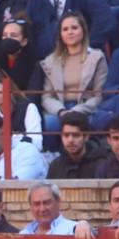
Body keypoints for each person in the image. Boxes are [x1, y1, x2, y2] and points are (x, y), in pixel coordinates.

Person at [38, 11, 107, 145]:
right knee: (47, 124)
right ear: (60, 34)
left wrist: (77, 111)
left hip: (86, 109)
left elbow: (99, 95)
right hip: (60, 110)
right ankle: (53, 158)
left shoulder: (97, 57)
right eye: (65, 29)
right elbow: (46, 97)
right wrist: (62, 111)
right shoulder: (50, 61)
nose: (70, 32)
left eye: (74, 28)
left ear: (83, 31)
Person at [48, 111, 105, 178]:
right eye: (66, 135)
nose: (70, 140)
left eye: (76, 135)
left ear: (86, 137)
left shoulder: (101, 164)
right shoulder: (55, 166)